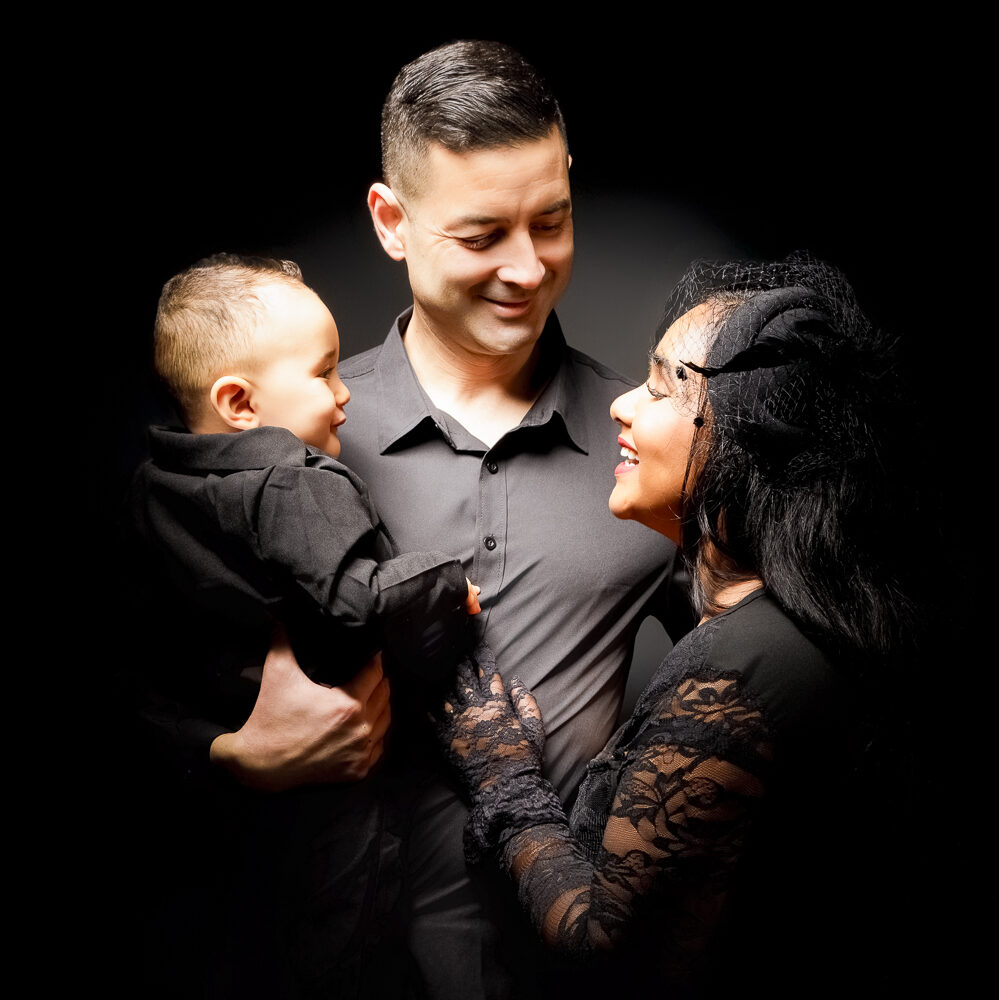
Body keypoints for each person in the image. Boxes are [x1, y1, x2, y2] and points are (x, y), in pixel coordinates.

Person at [187, 40, 694, 999]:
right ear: (392, 221)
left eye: (551, 222)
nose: (526, 268)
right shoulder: (282, 442)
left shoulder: (656, 444)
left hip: (569, 976)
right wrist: (228, 759)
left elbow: (759, 674)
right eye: (481, 235)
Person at [434, 254, 919, 997]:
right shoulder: (771, 627)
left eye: (663, 387)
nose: (622, 405)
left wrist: (506, 775)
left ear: (743, 438)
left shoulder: (744, 667)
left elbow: (602, 945)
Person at [124, 252, 482, 998]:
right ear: (239, 402)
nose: (345, 392)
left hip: (223, 818)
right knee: (346, 947)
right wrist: (445, 582)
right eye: (324, 373)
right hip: (334, 794)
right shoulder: (294, 481)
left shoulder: (156, 488)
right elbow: (355, 601)